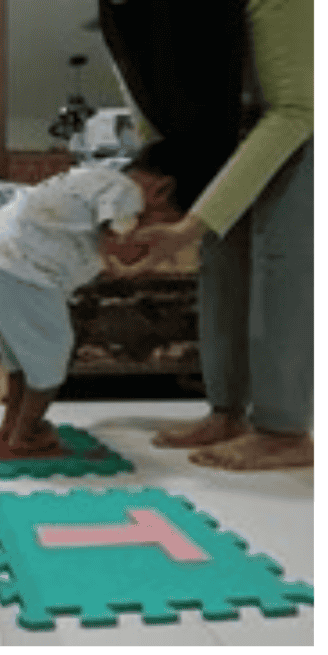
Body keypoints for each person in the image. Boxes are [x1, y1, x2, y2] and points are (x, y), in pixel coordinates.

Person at [100, 0, 313, 470]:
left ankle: (284, 430)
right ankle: (227, 412)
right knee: (222, 259)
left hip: (301, 122)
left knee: (283, 261)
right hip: (225, 130)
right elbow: (151, 106)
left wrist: (190, 224)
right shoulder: (124, 10)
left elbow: (297, 109)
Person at [0, 145, 182, 458]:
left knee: (21, 360)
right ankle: (26, 434)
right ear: (161, 190)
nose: (152, 224)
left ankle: (11, 427)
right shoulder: (126, 190)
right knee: (52, 356)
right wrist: (130, 260)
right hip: (24, 270)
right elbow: (115, 236)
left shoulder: (87, 178)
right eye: (165, 218)